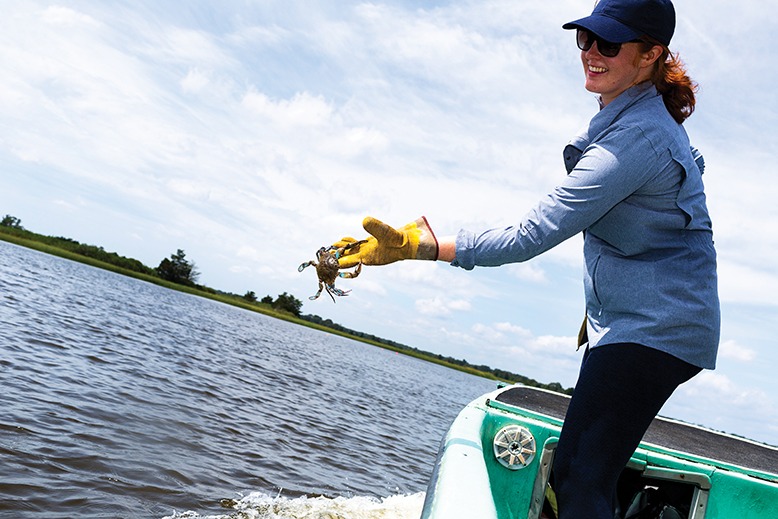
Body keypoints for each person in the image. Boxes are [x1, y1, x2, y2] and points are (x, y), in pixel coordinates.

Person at [332, 0, 719, 517]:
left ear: (651, 54)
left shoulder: (635, 139)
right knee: (587, 471)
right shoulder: (632, 117)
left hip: (655, 330)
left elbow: (530, 234)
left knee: (579, 474)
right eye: (586, 39)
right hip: (647, 325)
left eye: (608, 44)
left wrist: (424, 247)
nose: (591, 54)